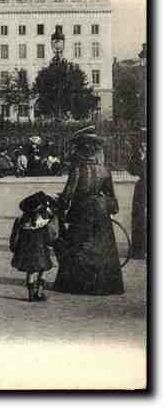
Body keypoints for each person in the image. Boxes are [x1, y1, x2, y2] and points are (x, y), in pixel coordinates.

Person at [51, 127, 124, 295]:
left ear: (81, 151)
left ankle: (78, 284)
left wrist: (60, 209)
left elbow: (68, 195)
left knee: (79, 246)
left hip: (82, 210)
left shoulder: (78, 170)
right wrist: (105, 206)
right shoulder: (105, 170)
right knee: (103, 246)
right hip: (101, 211)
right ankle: (105, 284)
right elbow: (112, 198)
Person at [9, 192, 59, 302]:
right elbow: (51, 236)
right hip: (41, 250)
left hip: (26, 250)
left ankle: (30, 294)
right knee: (43, 269)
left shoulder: (21, 220)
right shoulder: (44, 221)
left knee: (30, 271)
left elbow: (14, 236)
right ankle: (39, 292)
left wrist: (13, 247)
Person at [127, 132, 147, 259]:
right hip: (142, 188)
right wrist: (138, 156)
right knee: (139, 217)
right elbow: (132, 170)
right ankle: (139, 249)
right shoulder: (138, 153)